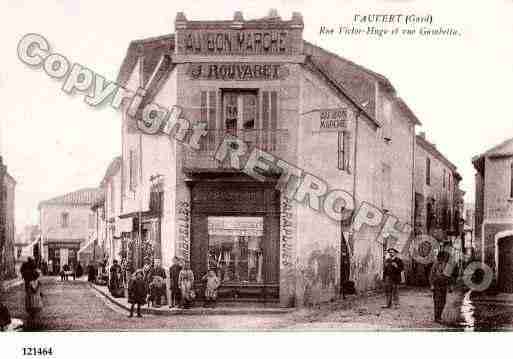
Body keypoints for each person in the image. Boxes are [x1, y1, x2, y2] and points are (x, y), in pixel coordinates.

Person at [430, 251, 451, 323]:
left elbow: (449, 277)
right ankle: (437, 317)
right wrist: (432, 285)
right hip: (436, 285)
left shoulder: (447, 266)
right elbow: (431, 275)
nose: (445, 259)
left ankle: (439, 315)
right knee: (437, 301)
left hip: (444, 285)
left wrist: (449, 287)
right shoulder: (436, 264)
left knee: (443, 301)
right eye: (444, 257)